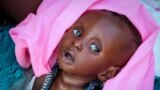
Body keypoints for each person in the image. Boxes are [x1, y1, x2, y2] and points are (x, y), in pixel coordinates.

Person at [1, 0, 160, 90]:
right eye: (77, 32)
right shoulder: (41, 71)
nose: (76, 43)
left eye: (94, 48)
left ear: (107, 73)